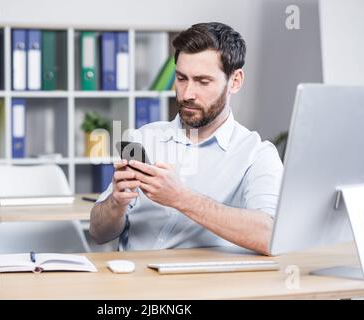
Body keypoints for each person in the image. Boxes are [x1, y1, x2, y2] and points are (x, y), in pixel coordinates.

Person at [89, 22, 283, 255]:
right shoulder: (142, 138)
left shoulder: (257, 155)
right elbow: (98, 233)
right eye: (181, 79)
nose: (187, 94)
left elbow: (271, 236)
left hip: (204, 286)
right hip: (133, 283)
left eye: (203, 82)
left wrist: (180, 198)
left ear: (235, 81)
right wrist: (115, 203)